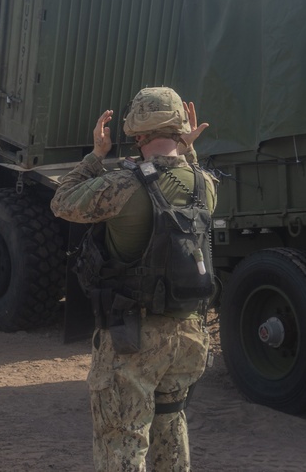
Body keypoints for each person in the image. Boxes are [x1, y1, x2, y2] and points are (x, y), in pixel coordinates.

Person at [51, 87, 218, 472]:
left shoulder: (121, 186)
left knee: (122, 437)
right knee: (170, 430)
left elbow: (61, 201)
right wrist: (187, 149)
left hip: (133, 336)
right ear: (180, 127)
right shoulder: (204, 185)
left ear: (137, 136)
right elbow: (183, 175)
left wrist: (96, 155)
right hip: (188, 334)